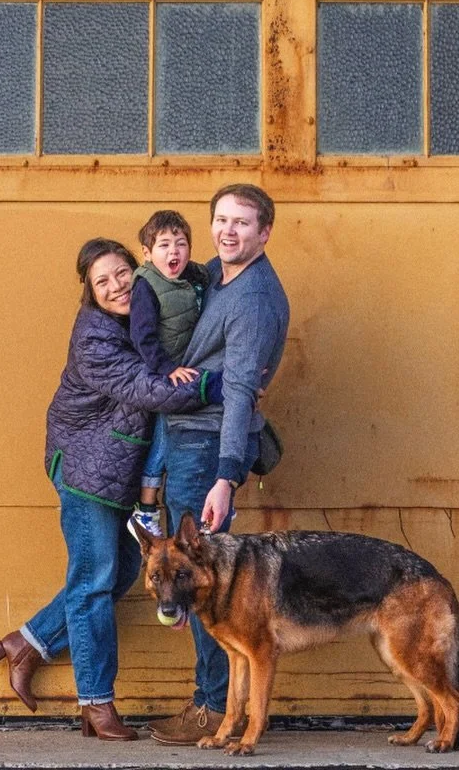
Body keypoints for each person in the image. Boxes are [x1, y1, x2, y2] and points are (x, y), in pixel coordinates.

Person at [0, 238, 222, 741]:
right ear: (90, 293)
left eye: (121, 274)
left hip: (117, 468)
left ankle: (26, 642)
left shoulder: (144, 313)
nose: (115, 287)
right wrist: (212, 386)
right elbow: (146, 388)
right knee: (94, 582)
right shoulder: (94, 336)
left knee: (117, 575)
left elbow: (186, 276)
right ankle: (96, 705)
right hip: (87, 467)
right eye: (102, 282)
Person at [148, 185, 289, 747]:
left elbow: (239, 393)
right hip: (185, 438)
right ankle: (214, 702)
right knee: (195, 582)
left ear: (265, 233)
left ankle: (211, 707)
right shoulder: (216, 275)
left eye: (243, 223)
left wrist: (225, 477)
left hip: (206, 448)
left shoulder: (253, 299)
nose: (228, 232)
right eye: (221, 220)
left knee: (197, 583)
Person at [127, 209, 208, 540]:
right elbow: (142, 336)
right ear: (147, 254)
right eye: (163, 245)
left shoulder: (193, 276)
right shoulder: (146, 286)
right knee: (162, 439)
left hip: (185, 371)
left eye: (181, 243)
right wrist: (167, 368)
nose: (173, 252)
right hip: (164, 376)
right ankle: (145, 510)